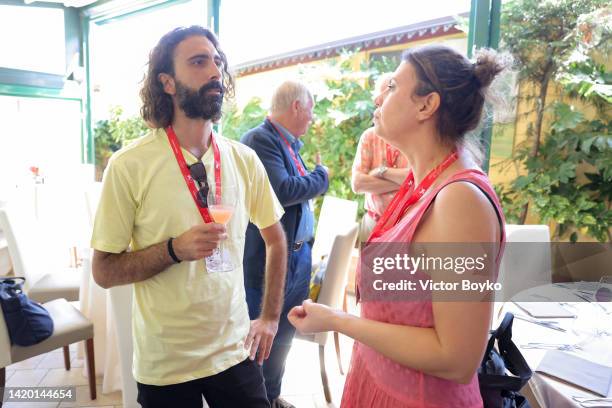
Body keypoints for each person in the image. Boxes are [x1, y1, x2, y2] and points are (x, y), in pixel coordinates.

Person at [289, 44, 509, 407]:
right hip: (378, 384)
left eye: (391, 87)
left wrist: (339, 320)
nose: (379, 98)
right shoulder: (420, 184)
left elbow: (456, 358)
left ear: (426, 105)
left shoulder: (459, 201)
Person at [91, 26, 288, 408]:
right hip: (166, 365)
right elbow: (104, 271)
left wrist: (269, 318)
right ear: (167, 82)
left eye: (217, 61)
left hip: (235, 352)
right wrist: (173, 250)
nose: (214, 71)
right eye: (198, 62)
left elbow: (276, 238)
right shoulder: (129, 165)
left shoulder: (243, 160)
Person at [241, 81, 329, 408]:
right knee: (260, 339)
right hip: (269, 261)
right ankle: (254, 400)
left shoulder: (290, 144)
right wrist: (322, 176)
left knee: (284, 337)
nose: (312, 117)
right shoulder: (260, 139)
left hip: (297, 258)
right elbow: (284, 189)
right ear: (296, 106)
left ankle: (271, 397)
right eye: (311, 109)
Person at [352, 74, 410, 242]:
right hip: (372, 223)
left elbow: (421, 181)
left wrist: (381, 171)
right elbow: (357, 184)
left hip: (405, 227)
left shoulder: (414, 136)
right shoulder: (369, 136)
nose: (379, 104)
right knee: (367, 268)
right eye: (378, 100)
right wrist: (403, 182)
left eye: (387, 95)